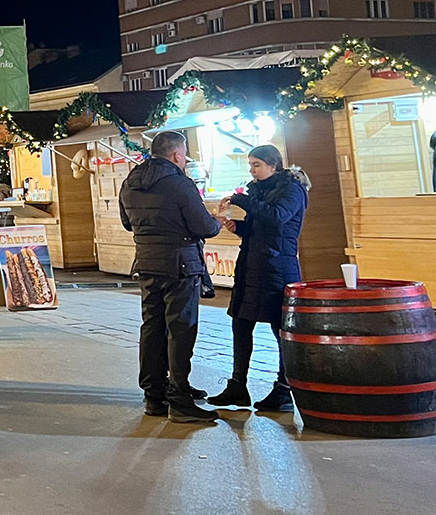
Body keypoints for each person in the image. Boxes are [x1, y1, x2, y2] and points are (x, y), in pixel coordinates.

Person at [118, 131, 222, 423]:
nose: (185, 158)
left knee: (152, 327)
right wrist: (218, 220)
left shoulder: (130, 182)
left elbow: (127, 223)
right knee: (181, 329)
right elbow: (204, 226)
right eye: (184, 153)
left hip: (147, 264)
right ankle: (179, 398)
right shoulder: (180, 184)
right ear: (177, 154)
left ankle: (154, 395)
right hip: (180, 266)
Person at [206, 145, 310, 413]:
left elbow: (278, 218)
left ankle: (284, 390)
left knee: (280, 330)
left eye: (256, 165)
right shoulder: (261, 190)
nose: (251, 170)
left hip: (278, 267)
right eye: (250, 165)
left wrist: (243, 200)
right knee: (241, 324)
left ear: (273, 165)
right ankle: (238, 385)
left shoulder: (292, 188)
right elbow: (260, 226)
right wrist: (240, 227)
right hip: (251, 264)